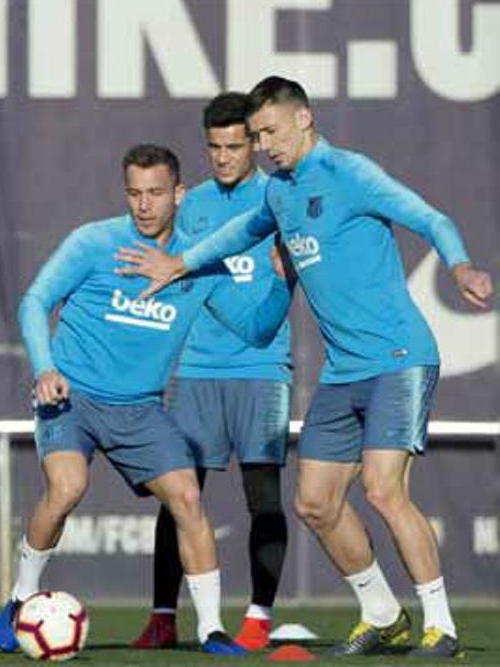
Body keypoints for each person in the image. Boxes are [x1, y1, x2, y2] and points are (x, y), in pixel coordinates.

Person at [116, 76, 494, 658]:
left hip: (397, 357)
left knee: (383, 490)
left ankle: (441, 625)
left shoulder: (350, 173)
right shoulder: (281, 193)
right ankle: (382, 615)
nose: (264, 145)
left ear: (304, 119)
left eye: (269, 132)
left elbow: (431, 218)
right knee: (314, 501)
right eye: (256, 135)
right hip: (344, 372)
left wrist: (461, 265)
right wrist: (180, 263)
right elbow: (238, 232)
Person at [0, 144, 294, 656]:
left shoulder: (196, 265)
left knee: (188, 498)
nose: (144, 205)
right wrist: (44, 368)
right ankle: (20, 600)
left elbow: (255, 330)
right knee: (66, 488)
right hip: (74, 398)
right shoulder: (93, 242)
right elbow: (34, 301)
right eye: (135, 193)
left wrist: (284, 283)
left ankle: (211, 630)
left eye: (156, 193)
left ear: (179, 194)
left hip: (140, 410)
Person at [131, 93, 290, 652]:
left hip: (262, 368)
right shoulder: (191, 205)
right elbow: (147, 260)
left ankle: (257, 619)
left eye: (234, 145)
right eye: (214, 147)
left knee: (263, 498)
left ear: (255, 143)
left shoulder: (278, 199)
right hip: (196, 370)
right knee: (179, 496)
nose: (223, 157)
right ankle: (162, 615)